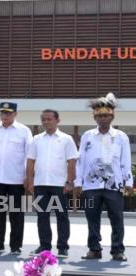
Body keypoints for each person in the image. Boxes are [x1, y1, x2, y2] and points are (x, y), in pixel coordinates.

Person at [75, 93, 133, 261]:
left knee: (117, 218)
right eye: (99, 116)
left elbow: (125, 160)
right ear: (95, 117)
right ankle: (94, 249)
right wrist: (79, 182)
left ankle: (117, 250)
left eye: (105, 115)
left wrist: (128, 181)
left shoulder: (121, 137)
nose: (102, 119)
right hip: (91, 185)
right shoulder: (87, 136)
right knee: (92, 218)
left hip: (113, 185)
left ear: (112, 116)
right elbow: (81, 161)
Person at [0, 102, 32, 255]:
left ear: (15, 114)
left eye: (9, 113)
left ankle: (15, 246)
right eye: (3, 112)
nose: (5, 115)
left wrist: (28, 177)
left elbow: (29, 155)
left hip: (16, 179)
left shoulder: (24, 130)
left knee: (16, 214)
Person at [26, 109, 78, 258]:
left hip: (59, 184)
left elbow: (71, 162)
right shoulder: (36, 139)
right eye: (43, 119)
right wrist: (30, 181)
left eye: (49, 119)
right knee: (42, 216)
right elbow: (30, 161)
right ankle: (44, 246)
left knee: (62, 216)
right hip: (41, 183)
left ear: (57, 120)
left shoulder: (67, 139)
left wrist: (69, 182)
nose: (46, 122)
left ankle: (62, 247)